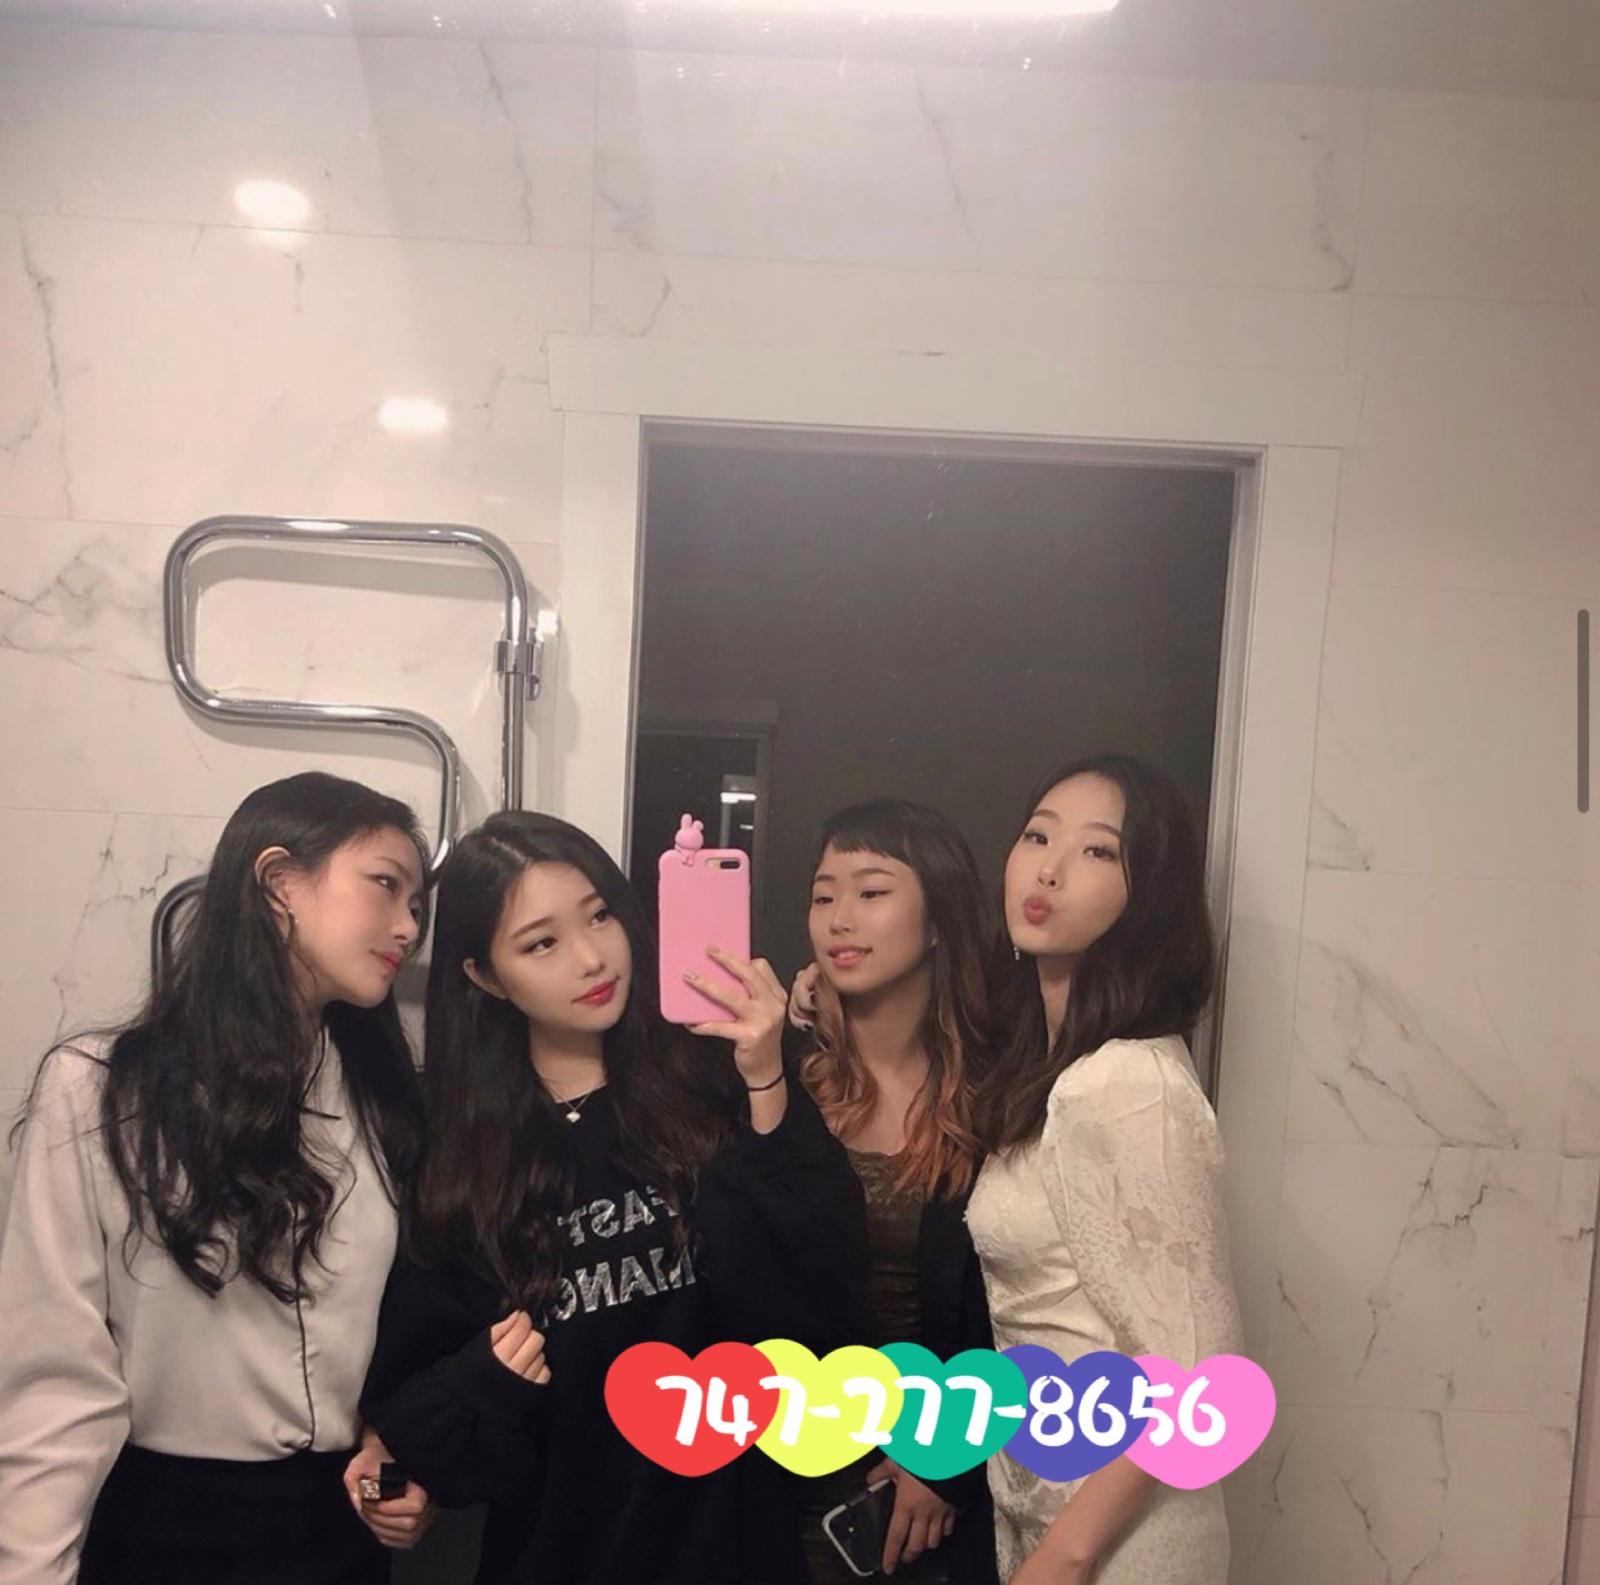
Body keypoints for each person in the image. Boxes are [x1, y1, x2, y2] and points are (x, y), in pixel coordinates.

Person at [358, 810, 867, 1585]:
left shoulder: (714, 1081)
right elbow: (410, 1418)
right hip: (556, 1552)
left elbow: (819, 1306)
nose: (592, 956)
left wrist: (766, 1077)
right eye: (542, 943)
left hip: (729, 1547)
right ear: (484, 975)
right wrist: (470, 1392)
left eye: (599, 915)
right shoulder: (461, 1157)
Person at [0, 771, 435, 1585]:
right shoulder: (100, 1090)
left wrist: (396, 1467)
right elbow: (54, 1378)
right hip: (163, 1528)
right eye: (386, 884)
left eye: (418, 903)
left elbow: (402, 1339)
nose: (409, 925)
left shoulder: (384, 1100)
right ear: (278, 881)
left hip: (336, 1532)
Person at [965, 755, 1242, 1585]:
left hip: (1119, 1538)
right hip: (1047, 1506)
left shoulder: (1124, 1082)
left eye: (1097, 850)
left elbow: (1198, 1366)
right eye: (1036, 836)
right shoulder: (1051, 1070)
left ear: (1147, 894)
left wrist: (1069, 1552)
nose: (1047, 868)